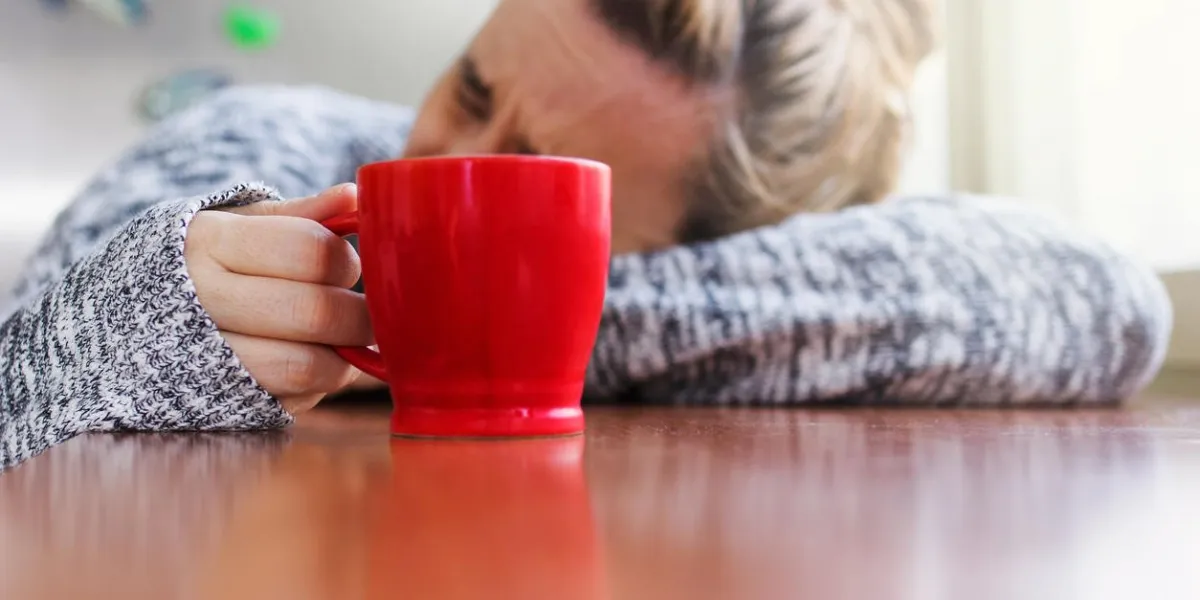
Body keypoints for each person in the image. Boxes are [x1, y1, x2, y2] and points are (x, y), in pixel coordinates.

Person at [0, 0, 1172, 471]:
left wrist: (526, 346)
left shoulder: (759, 272)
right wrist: (151, 318)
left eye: (529, 173)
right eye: (469, 88)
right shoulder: (264, 138)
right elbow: (33, 375)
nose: (437, 163)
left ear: (740, 249)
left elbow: (1107, 301)